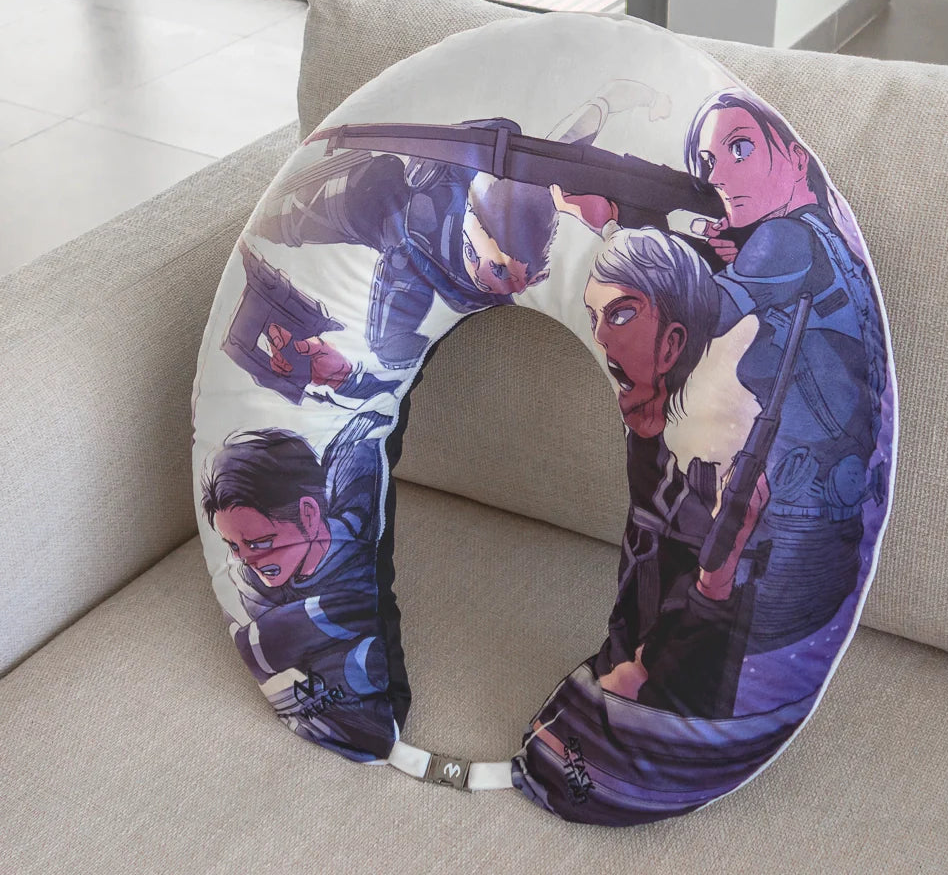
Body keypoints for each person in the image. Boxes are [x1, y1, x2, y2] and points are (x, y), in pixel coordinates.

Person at [249, 81, 673, 370]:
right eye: (483, 255)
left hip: (425, 231)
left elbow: (577, 132)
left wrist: (634, 99)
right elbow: (388, 335)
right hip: (379, 203)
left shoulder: (526, 217)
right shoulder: (421, 232)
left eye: (502, 269)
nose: (490, 268)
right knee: (357, 192)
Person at [683, 89, 888, 664]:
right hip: (832, 512)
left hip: (793, 522)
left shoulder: (783, 240)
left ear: (797, 160)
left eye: (740, 148)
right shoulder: (829, 240)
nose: (716, 176)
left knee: (704, 648)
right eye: (708, 162)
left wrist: (619, 233)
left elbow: (692, 322)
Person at [582, 227, 767, 716]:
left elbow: (697, 678)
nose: (598, 336)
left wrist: (715, 584)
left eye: (620, 314)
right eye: (593, 318)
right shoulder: (651, 450)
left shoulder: (719, 463)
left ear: (672, 343)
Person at [200, 423, 407, 760]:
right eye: (234, 546)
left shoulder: (355, 561)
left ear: (309, 515)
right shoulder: (251, 585)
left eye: (260, 542)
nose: (247, 559)